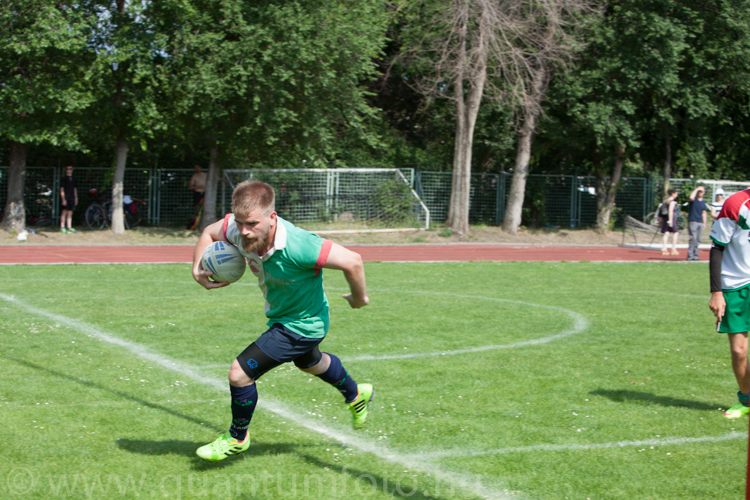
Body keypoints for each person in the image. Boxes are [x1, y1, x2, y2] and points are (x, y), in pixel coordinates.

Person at [191, 180, 374, 461]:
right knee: (311, 363)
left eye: (252, 224)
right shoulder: (237, 228)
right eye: (240, 223)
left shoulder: (300, 244)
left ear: (272, 217)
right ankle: (356, 394)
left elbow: (353, 261)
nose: (243, 231)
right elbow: (208, 232)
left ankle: (237, 438)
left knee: (239, 373)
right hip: (285, 316)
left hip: (302, 324)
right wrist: (196, 267)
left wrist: (359, 298)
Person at [708, 188, 750, 418]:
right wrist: (717, 292)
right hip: (736, 285)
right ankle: (746, 400)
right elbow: (717, 248)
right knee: (738, 350)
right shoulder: (736, 204)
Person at [686, 186, 709, 261]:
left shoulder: (703, 202)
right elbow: (691, 197)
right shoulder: (694, 200)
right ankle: (690, 256)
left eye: (701, 191)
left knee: (698, 240)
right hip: (693, 221)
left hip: (699, 222)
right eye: (699, 191)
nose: (700, 193)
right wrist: (696, 189)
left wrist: (704, 223)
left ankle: (695, 256)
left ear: (704, 192)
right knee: (693, 238)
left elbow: (704, 213)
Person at [659, 189, 679, 256]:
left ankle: (664, 248)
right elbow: (670, 211)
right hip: (670, 219)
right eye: (676, 194)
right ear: (673, 194)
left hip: (665, 219)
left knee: (666, 233)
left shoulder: (665, 201)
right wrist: (670, 220)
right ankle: (673, 248)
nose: (677, 195)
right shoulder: (672, 202)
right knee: (676, 232)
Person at [59, 165, 78, 234]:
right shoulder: (64, 178)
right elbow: (61, 189)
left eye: (70, 169)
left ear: (72, 169)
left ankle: (69, 227)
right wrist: (63, 199)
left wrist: (76, 198)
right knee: (64, 212)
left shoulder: (73, 178)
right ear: (65, 170)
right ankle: (62, 227)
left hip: (72, 197)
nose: (69, 170)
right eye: (67, 169)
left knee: (70, 212)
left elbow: (75, 188)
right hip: (66, 197)